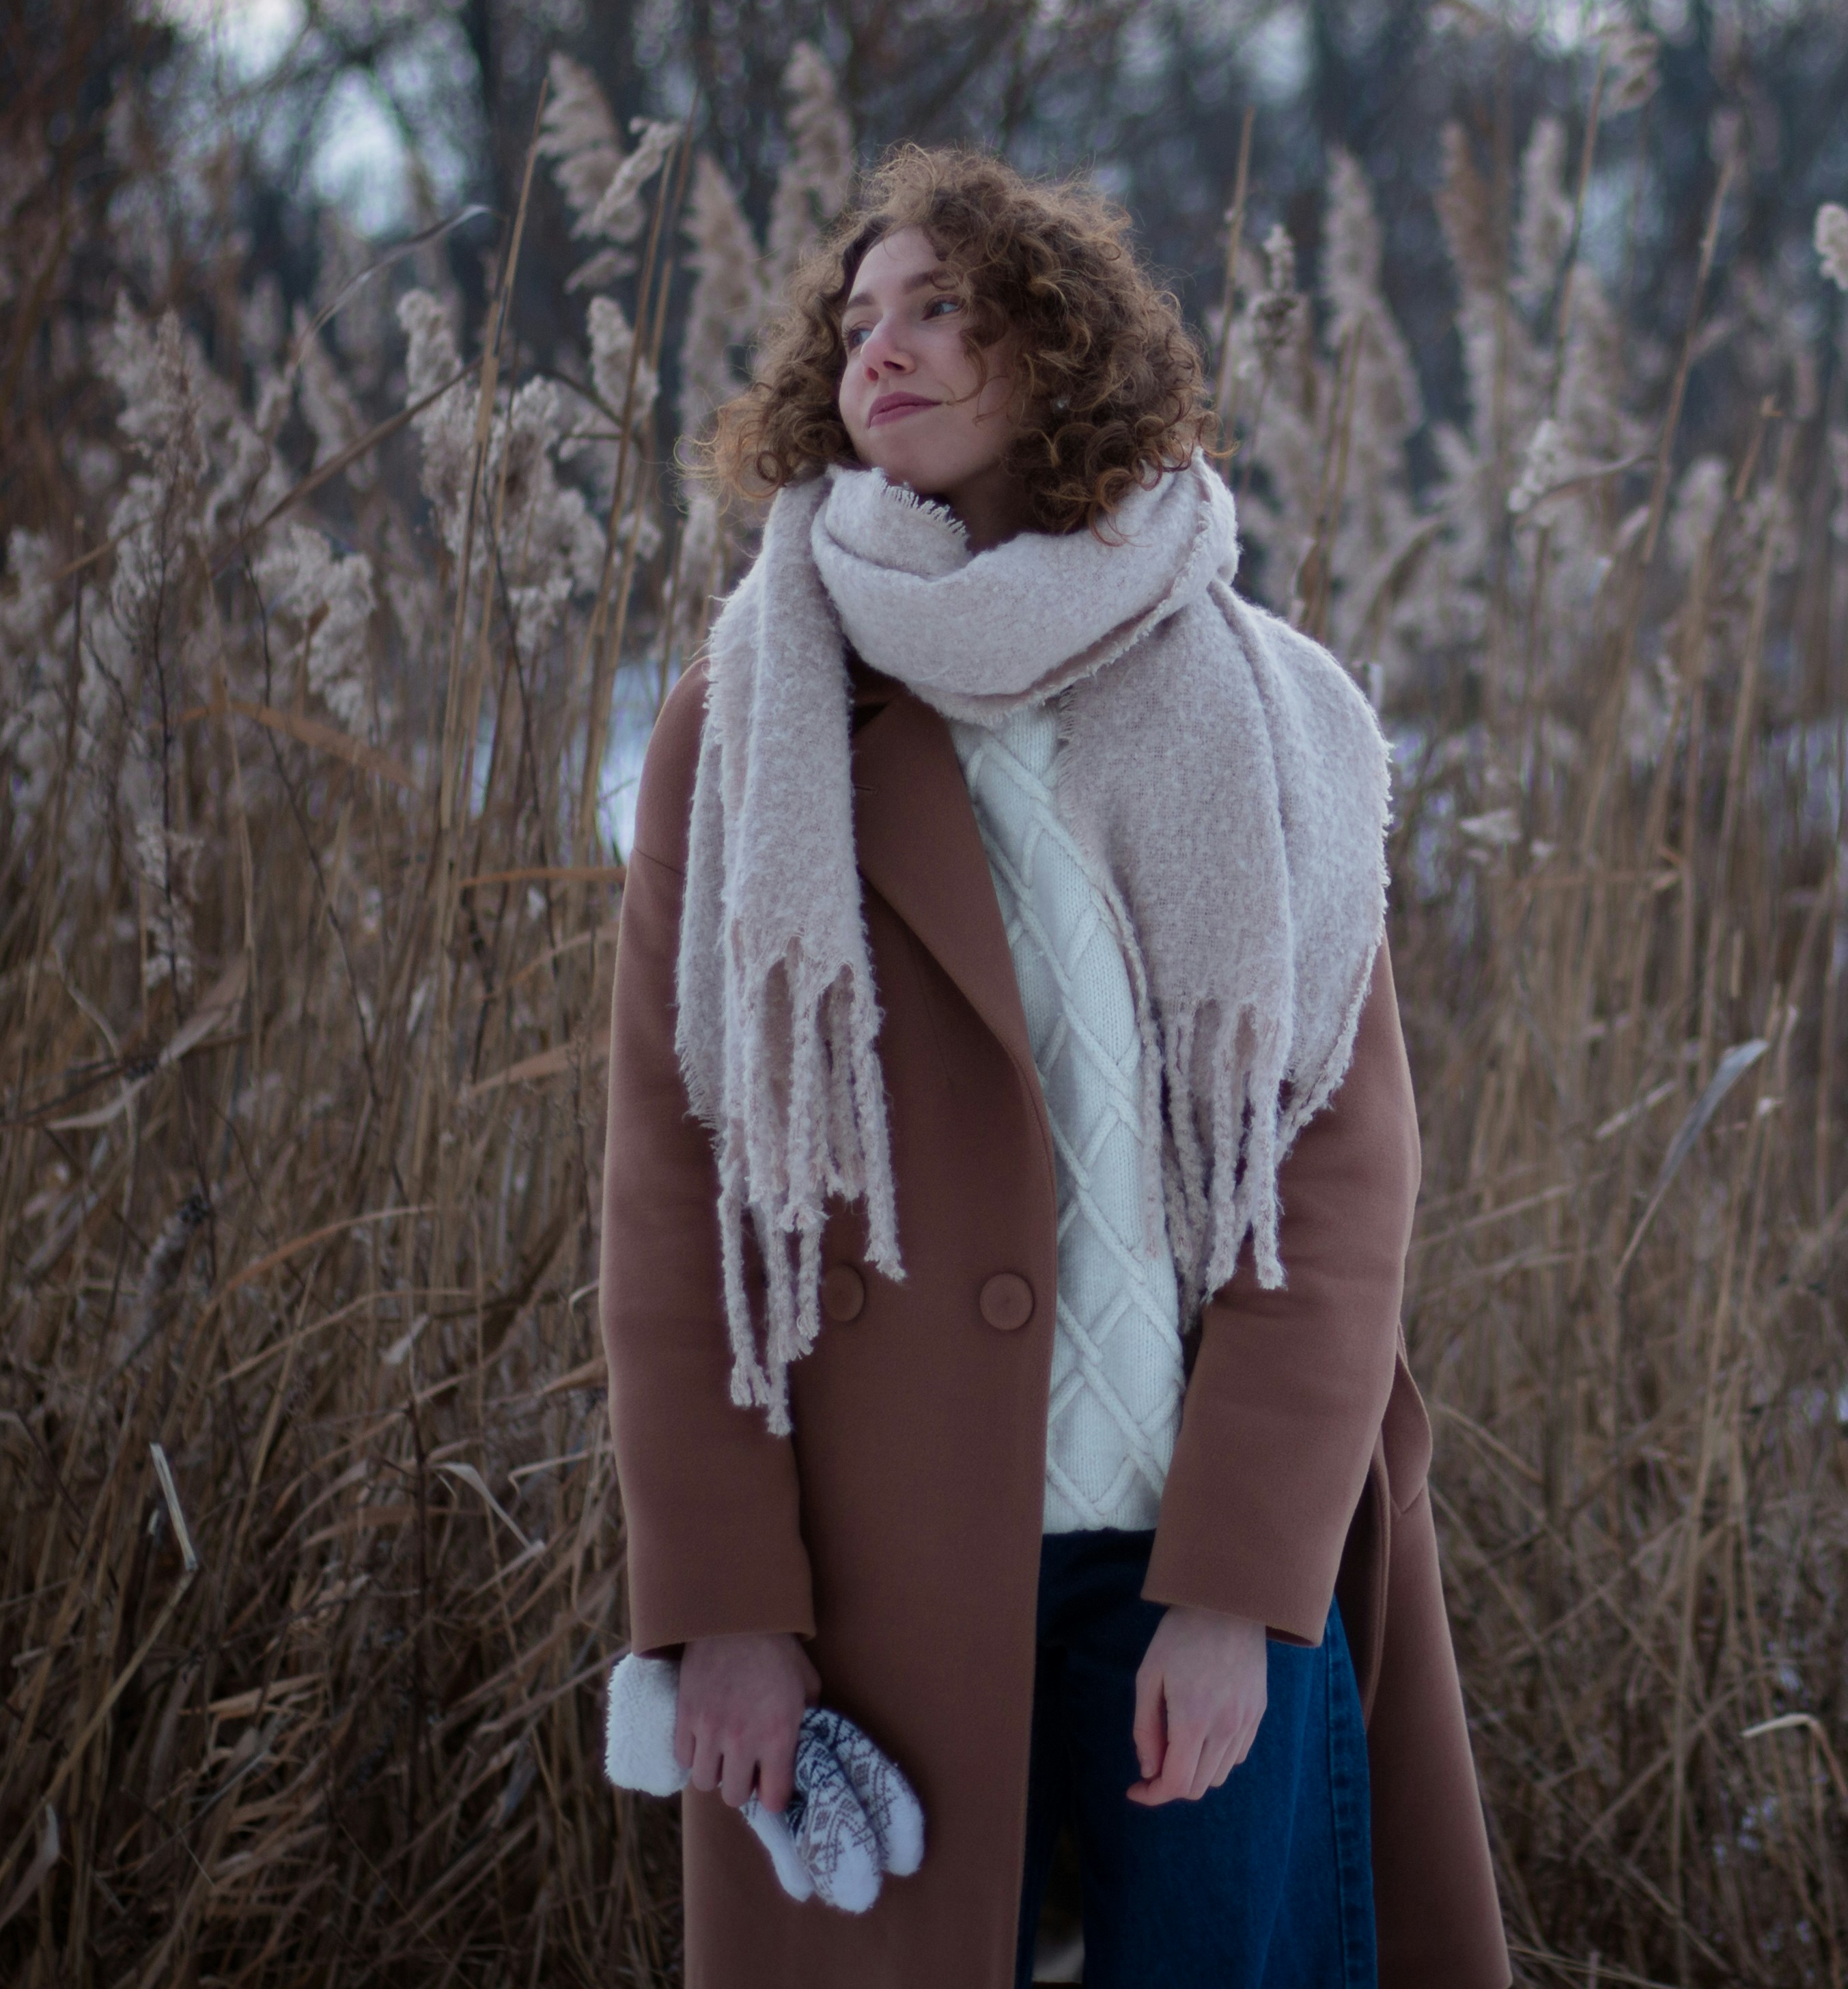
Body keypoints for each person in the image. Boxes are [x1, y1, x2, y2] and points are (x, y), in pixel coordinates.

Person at [598, 145, 1509, 1986]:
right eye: (858, 319)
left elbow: (1335, 1184)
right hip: (882, 1574)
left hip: (1197, 1548)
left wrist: (1243, 1588)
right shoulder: (755, 721)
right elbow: (673, 1193)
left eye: (943, 304)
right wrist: (729, 1614)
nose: (886, 345)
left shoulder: (1265, 708)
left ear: (1066, 344)